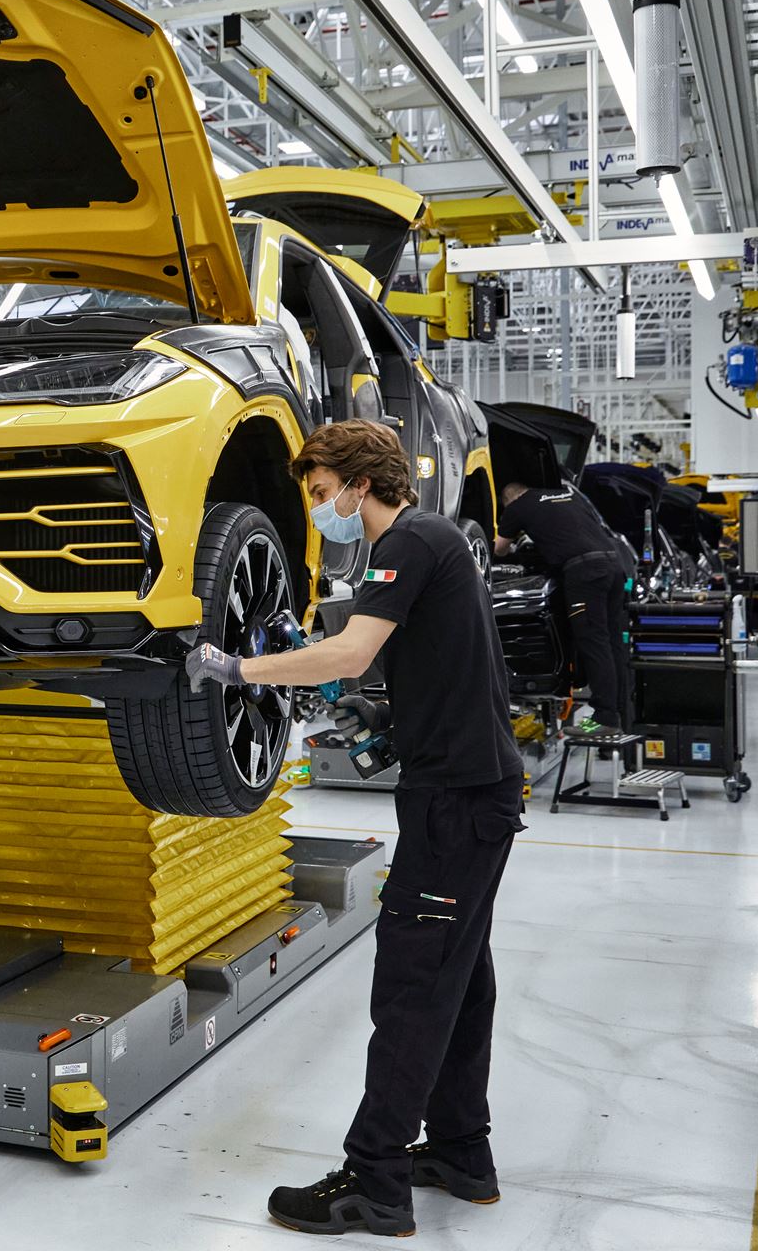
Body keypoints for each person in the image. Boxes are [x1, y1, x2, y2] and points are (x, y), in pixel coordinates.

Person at [187, 419, 526, 1238]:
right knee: (459, 979)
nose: (318, 510)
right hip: (469, 793)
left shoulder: (405, 543)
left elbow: (347, 651)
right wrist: (388, 710)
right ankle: (459, 1152)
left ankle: (375, 1182)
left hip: (456, 804)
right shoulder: (435, 541)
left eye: (318, 494)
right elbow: (420, 662)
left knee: (412, 983)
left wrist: (238, 668)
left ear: (358, 485)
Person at [494, 480, 634, 732]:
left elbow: (499, 549)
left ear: (508, 500)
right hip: (615, 566)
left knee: (594, 642)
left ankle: (604, 719)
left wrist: (516, 544)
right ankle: (620, 716)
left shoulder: (517, 507)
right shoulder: (566, 495)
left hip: (584, 572)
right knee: (614, 644)